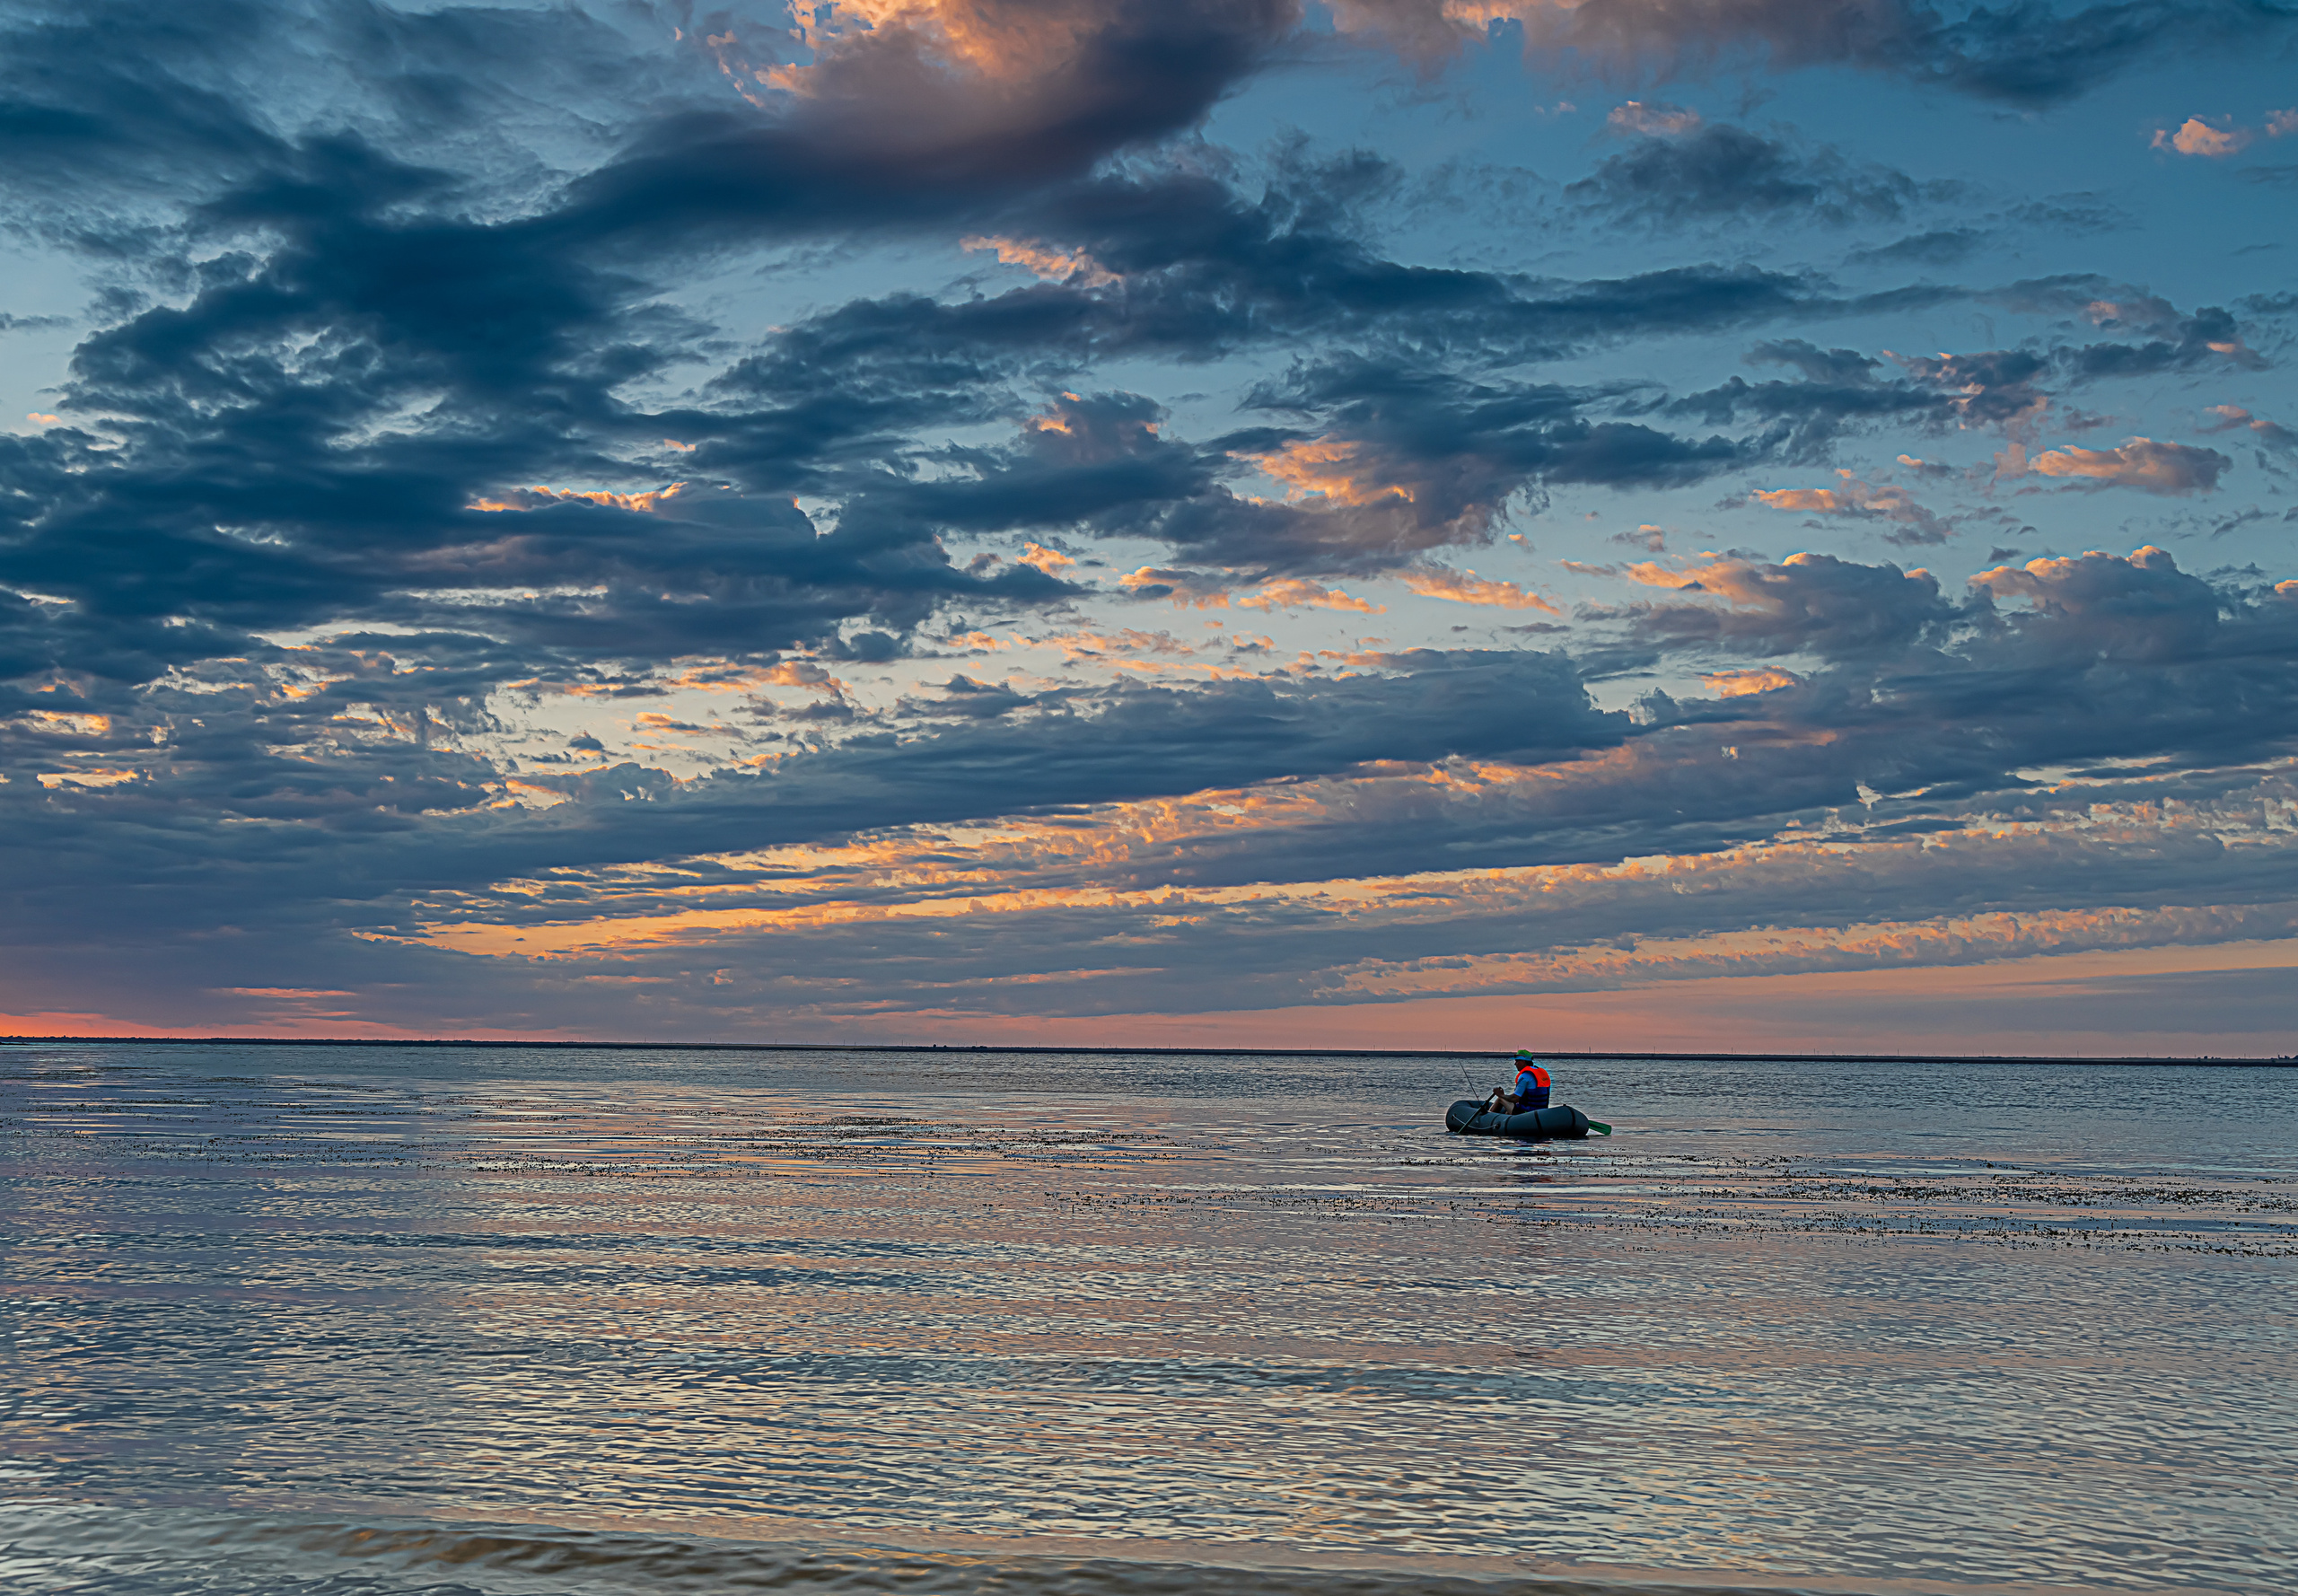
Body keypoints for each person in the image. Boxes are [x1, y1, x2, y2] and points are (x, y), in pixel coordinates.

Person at [1486, 1050, 1551, 1116]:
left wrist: (1501, 1095)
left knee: (1501, 1099)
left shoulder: (1524, 1076)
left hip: (1527, 1113)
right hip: (1542, 1111)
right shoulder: (1541, 1073)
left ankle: (1486, 1118)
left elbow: (1515, 1098)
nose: (1515, 1064)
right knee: (1508, 1111)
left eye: (1516, 1061)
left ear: (1523, 1062)